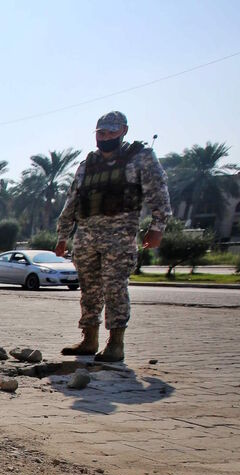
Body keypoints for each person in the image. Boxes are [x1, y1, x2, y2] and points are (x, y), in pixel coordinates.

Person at [54, 111, 171, 362]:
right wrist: (63, 235)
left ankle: (115, 343)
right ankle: (89, 339)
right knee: (89, 290)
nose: (105, 136)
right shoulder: (87, 165)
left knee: (115, 289)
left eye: (111, 131)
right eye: (101, 132)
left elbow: (158, 193)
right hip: (86, 237)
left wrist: (157, 227)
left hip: (119, 237)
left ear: (124, 131)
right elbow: (72, 201)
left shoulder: (140, 159)